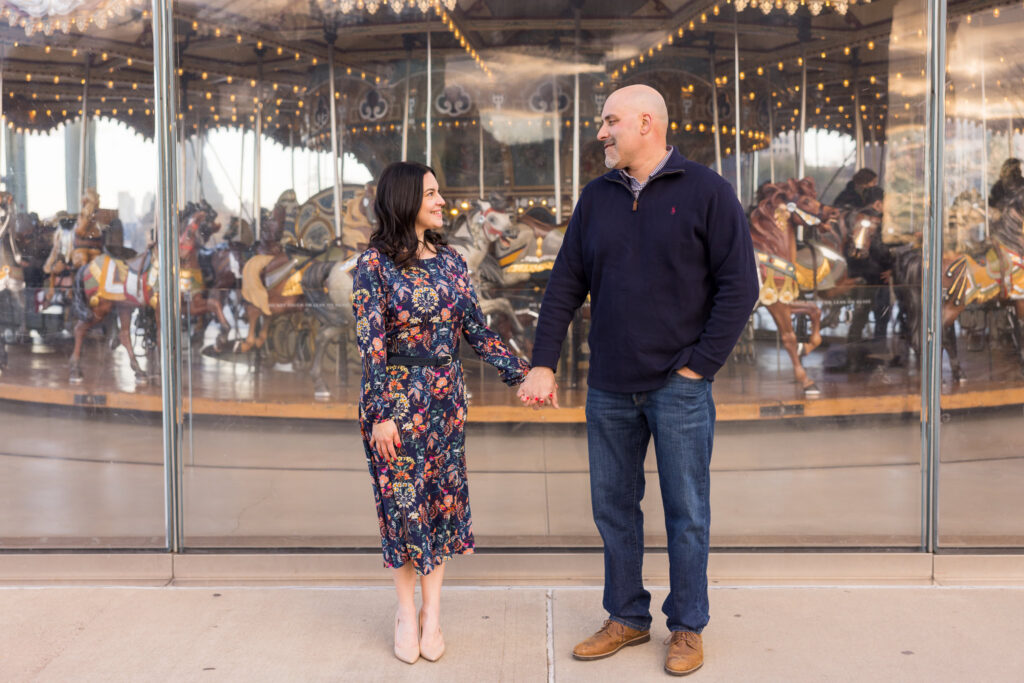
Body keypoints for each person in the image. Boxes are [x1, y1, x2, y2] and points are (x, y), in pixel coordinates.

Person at [517, 84, 759, 676]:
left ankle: (687, 626)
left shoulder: (707, 191)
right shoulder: (596, 199)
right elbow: (564, 288)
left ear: (646, 122)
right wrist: (544, 361)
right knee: (614, 508)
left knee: (687, 510)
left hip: (679, 388)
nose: (601, 132)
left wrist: (699, 365)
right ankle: (626, 616)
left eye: (610, 121)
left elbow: (740, 287)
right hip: (609, 386)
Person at [352, 161, 530, 665]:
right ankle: (406, 613)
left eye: (439, 191)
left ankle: (434, 613)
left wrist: (519, 374)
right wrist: (381, 412)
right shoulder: (374, 265)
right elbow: (372, 347)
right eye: (431, 192)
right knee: (404, 509)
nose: (441, 200)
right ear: (406, 200)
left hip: (446, 402)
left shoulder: (452, 260)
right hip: (395, 404)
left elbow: (476, 328)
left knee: (440, 503)